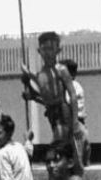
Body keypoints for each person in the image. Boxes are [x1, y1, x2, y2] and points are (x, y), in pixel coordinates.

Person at [21, 32, 81, 169]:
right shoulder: (41, 74)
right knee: (61, 142)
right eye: (44, 49)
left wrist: (75, 120)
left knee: (61, 142)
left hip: (62, 111)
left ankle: (66, 167)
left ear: (57, 50)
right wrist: (28, 80)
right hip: (51, 113)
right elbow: (44, 95)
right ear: (39, 51)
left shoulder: (61, 70)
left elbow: (72, 94)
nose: (48, 53)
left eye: (51, 49)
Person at [63, 58, 90, 166]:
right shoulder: (69, 86)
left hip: (75, 122)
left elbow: (66, 103)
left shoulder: (73, 86)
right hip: (75, 122)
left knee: (77, 157)